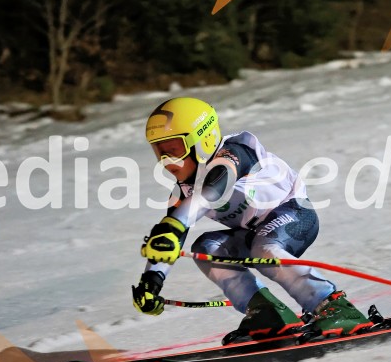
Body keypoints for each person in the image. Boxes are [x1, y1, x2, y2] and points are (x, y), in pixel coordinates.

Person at [132, 96, 369, 344]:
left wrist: (173, 226)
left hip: (296, 215)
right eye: (159, 151)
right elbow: (170, 240)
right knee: (206, 247)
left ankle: (335, 307)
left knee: (264, 248)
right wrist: (151, 282)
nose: (167, 160)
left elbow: (213, 190)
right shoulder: (183, 191)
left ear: (203, 140)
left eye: (174, 149)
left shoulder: (234, 152)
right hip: (256, 232)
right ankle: (267, 314)